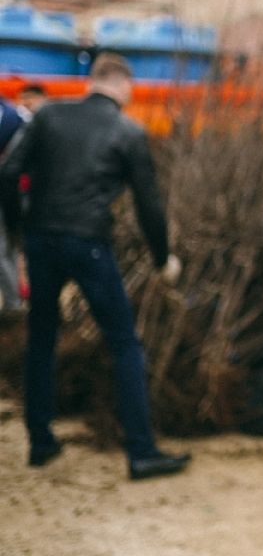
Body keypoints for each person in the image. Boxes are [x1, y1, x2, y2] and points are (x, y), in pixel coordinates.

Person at [0, 52, 189, 479]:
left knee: (41, 338)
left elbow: (8, 172)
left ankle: (40, 441)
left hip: (42, 240)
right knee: (123, 343)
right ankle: (141, 451)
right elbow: (150, 207)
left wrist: (18, 234)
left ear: (91, 81)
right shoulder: (128, 131)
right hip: (89, 244)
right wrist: (162, 260)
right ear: (124, 86)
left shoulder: (48, 117)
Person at [0, 95, 25, 313]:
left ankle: (14, 303)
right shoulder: (14, 115)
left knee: (6, 248)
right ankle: (14, 301)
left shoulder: (13, 117)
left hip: (11, 195)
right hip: (12, 195)